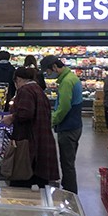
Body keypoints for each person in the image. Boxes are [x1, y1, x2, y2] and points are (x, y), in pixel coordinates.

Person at [2, 67, 59, 188]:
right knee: (39, 180)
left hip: (29, 140)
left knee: (23, 178)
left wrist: (11, 117)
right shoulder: (37, 89)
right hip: (41, 138)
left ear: (18, 79)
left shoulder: (25, 90)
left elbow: (26, 113)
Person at [41, 55, 83, 194]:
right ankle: (68, 189)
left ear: (54, 67)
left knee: (67, 163)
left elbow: (64, 107)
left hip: (68, 127)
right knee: (68, 161)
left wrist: (51, 121)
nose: (48, 74)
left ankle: (70, 193)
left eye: (48, 71)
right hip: (75, 125)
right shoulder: (71, 78)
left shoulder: (66, 82)